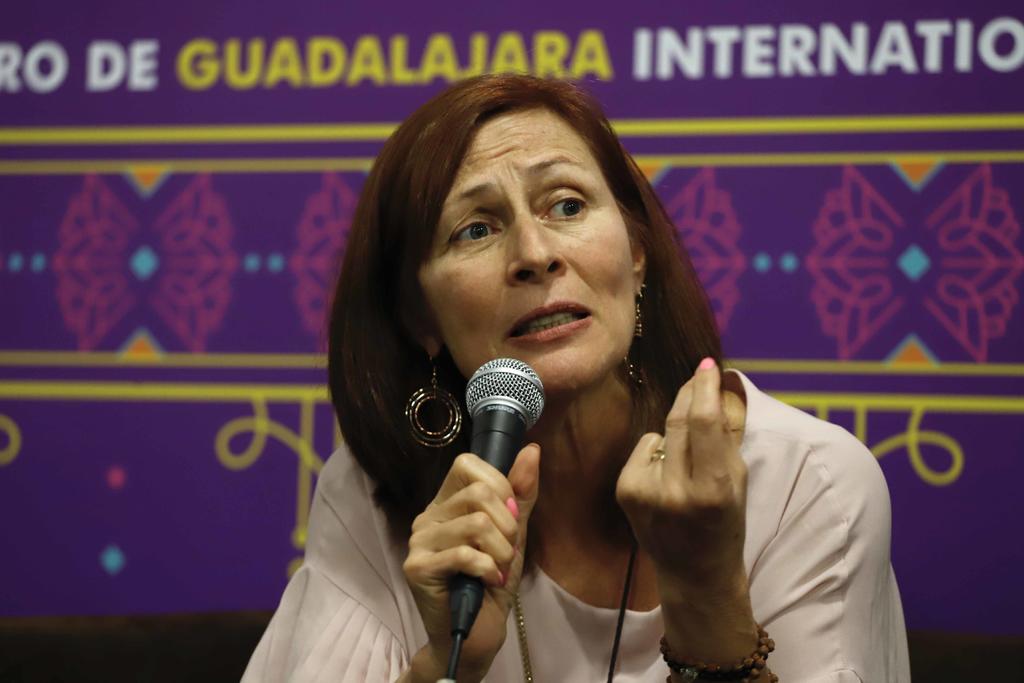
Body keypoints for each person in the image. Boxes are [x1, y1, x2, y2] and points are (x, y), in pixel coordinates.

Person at [242, 74, 910, 683]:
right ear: (421, 317)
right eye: (475, 229)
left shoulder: (806, 481)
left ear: (636, 253)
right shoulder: (375, 496)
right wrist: (450, 664)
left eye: (566, 205)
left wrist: (707, 594)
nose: (534, 255)